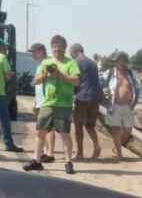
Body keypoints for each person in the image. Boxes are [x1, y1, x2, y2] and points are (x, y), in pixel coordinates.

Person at [26, 34, 80, 173]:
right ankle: (36, 160)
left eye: (59, 46)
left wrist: (60, 76)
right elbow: (35, 81)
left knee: (64, 134)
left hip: (64, 104)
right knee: (40, 132)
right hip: (47, 103)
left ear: (64, 47)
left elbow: (76, 81)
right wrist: (44, 75)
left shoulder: (70, 63)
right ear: (51, 48)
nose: (57, 49)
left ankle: (68, 162)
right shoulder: (45, 62)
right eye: (54, 46)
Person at [69, 43, 101, 159]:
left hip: (82, 97)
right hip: (95, 98)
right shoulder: (93, 63)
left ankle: (80, 153)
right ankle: (97, 145)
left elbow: (75, 81)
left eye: (70, 53)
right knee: (90, 125)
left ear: (74, 52)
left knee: (78, 126)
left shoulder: (76, 62)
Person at [105, 51, 140, 160]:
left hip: (127, 106)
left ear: (125, 61)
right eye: (117, 60)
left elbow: (137, 88)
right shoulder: (110, 72)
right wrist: (104, 100)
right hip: (114, 105)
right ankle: (119, 153)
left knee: (128, 130)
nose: (120, 62)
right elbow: (99, 83)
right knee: (116, 130)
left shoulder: (130, 73)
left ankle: (117, 147)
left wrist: (134, 103)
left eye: (122, 60)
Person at [28, 42, 55, 162]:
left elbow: (43, 81)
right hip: (41, 101)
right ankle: (45, 152)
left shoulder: (48, 63)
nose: (32, 55)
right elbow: (38, 85)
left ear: (40, 51)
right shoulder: (40, 64)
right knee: (43, 129)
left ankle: (50, 153)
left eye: (33, 52)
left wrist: (36, 80)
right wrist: (35, 102)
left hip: (47, 101)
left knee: (49, 129)